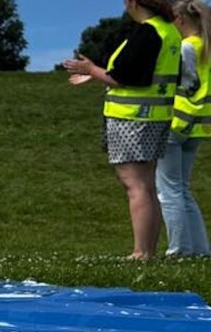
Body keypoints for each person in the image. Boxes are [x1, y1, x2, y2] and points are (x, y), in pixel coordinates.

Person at [64, 0, 181, 260]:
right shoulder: (168, 31)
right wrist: (97, 74)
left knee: (136, 186)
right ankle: (147, 250)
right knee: (147, 186)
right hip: (154, 118)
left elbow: (124, 77)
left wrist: (90, 69)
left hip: (132, 120)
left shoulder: (147, 33)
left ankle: (141, 252)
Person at [158, 0, 211, 256]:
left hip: (176, 121)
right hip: (198, 126)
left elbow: (185, 82)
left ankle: (178, 250)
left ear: (179, 20)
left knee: (168, 190)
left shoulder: (186, 47)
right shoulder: (206, 48)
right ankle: (200, 250)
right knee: (182, 189)